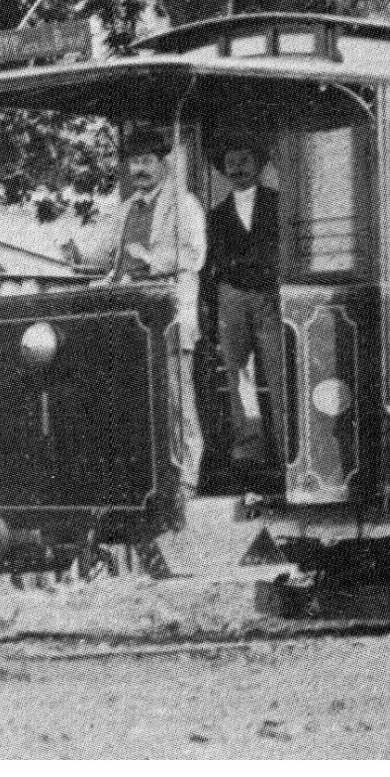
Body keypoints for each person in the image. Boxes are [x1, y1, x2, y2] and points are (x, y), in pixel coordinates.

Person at [64, 127, 207, 514]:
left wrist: (148, 258)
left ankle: (188, 476)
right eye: (134, 162)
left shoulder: (185, 205)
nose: (138, 169)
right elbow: (105, 254)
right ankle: (150, 478)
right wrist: (77, 252)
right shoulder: (127, 208)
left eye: (146, 161)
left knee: (177, 399)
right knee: (138, 400)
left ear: (164, 163)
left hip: (171, 316)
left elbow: (193, 255)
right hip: (132, 321)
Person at [206, 139, 283, 470]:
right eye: (231, 161)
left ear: (259, 164)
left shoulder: (279, 204)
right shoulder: (217, 214)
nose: (237, 167)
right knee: (239, 373)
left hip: (270, 295)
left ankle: (285, 449)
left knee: (279, 370)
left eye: (244, 159)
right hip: (232, 296)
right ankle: (250, 447)